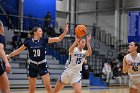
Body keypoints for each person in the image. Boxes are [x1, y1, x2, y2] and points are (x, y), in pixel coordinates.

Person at [7, 23, 68, 93]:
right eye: (40, 31)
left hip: (42, 65)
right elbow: (18, 51)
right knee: (31, 90)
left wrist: (65, 32)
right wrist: (9, 56)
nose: (41, 32)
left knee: (48, 88)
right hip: (32, 65)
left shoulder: (44, 40)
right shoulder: (28, 42)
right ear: (35, 32)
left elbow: (59, 39)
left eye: (41, 31)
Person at [0, 20, 11, 93]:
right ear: (0, 27)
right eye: (3, 26)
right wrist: (6, 62)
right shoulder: (1, 36)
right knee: (6, 90)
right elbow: (0, 49)